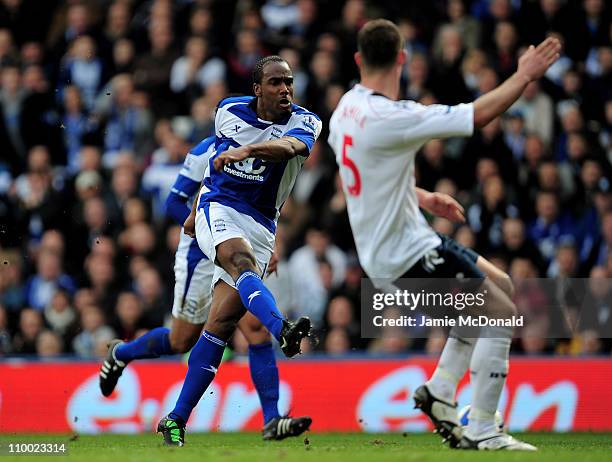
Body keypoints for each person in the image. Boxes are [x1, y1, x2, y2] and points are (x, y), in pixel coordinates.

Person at [328, 19, 560, 451]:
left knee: (501, 287)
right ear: (402, 58)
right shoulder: (394, 116)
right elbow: (479, 113)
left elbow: (361, 175)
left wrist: (422, 196)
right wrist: (524, 75)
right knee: (499, 312)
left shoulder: (345, 108)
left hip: (406, 241)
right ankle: (484, 428)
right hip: (404, 253)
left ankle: (440, 391)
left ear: (359, 60)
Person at [156, 55, 322, 446]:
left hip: (263, 224)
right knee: (239, 262)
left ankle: (176, 418)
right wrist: (200, 202)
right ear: (258, 88)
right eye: (276, 82)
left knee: (221, 324)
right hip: (220, 208)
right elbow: (216, 160)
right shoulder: (228, 110)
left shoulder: (307, 121)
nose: (285, 89)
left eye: (289, 82)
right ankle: (283, 328)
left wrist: (248, 152)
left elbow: (290, 148)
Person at [98, 135, 310, 441]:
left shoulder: (262, 150)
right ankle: (122, 353)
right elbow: (173, 202)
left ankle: (272, 418)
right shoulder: (206, 152)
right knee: (181, 339)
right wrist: (202, 222)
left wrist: (264, 245)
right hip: (200, 253)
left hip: (238, 246)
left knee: (255, 329)